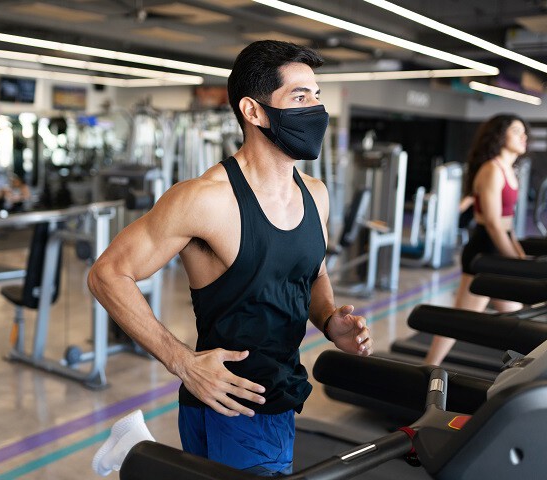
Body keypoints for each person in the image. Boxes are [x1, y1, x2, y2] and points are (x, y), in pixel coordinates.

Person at [87, 40, 372, 476]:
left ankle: (136, 452)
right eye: (299, 97)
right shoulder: (205, 199)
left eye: (317, 96)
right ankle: (137, 455)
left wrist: (330, 318)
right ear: (253, 111)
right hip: (236, 399)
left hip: (279, 390)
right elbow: (108, 274)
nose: (315, 109)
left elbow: (312, 275)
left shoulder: (316, 195)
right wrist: (182, 361)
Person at [424, 114, 528, 366]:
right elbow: (492, 223)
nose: (523, 136)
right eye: (516, 131)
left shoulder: (509, 171)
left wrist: (521, 256)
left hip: (497, 251)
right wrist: (515, 261)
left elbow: (508, 225)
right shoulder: (492, 169)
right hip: (484, 254)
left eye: (524, 132)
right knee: (462, 320)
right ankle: (428, 367)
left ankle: (525, 372)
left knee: (518, 321)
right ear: (500, 135)